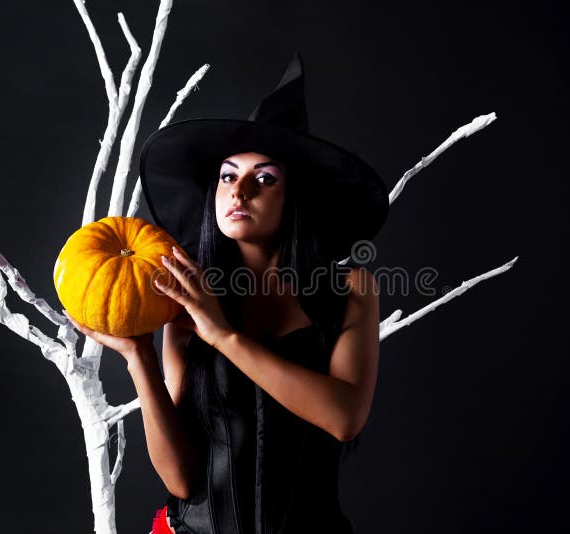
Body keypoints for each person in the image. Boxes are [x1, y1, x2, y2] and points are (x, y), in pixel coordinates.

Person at [66, 52, 389, 533]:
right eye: (228, 176)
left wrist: (223, 336)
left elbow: (344, 418)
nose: (239, 192)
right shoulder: (183, 299)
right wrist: (140, 358)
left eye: (263, 179)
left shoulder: (349, 290)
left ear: (294, 196)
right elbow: (180, 479)